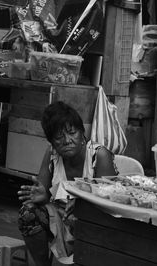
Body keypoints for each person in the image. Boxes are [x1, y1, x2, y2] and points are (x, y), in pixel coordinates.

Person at [17, 101, 118, 266]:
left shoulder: (100, 156)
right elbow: (43, 196)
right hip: (60, 220)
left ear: (82, 133)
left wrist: (83, 204)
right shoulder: (52, 155)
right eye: (58, 137)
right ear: (51, 142)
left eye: (72, 133)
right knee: (28, 213)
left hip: (92, 221)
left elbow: (110, 203)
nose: (67, 140)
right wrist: (43, 197)